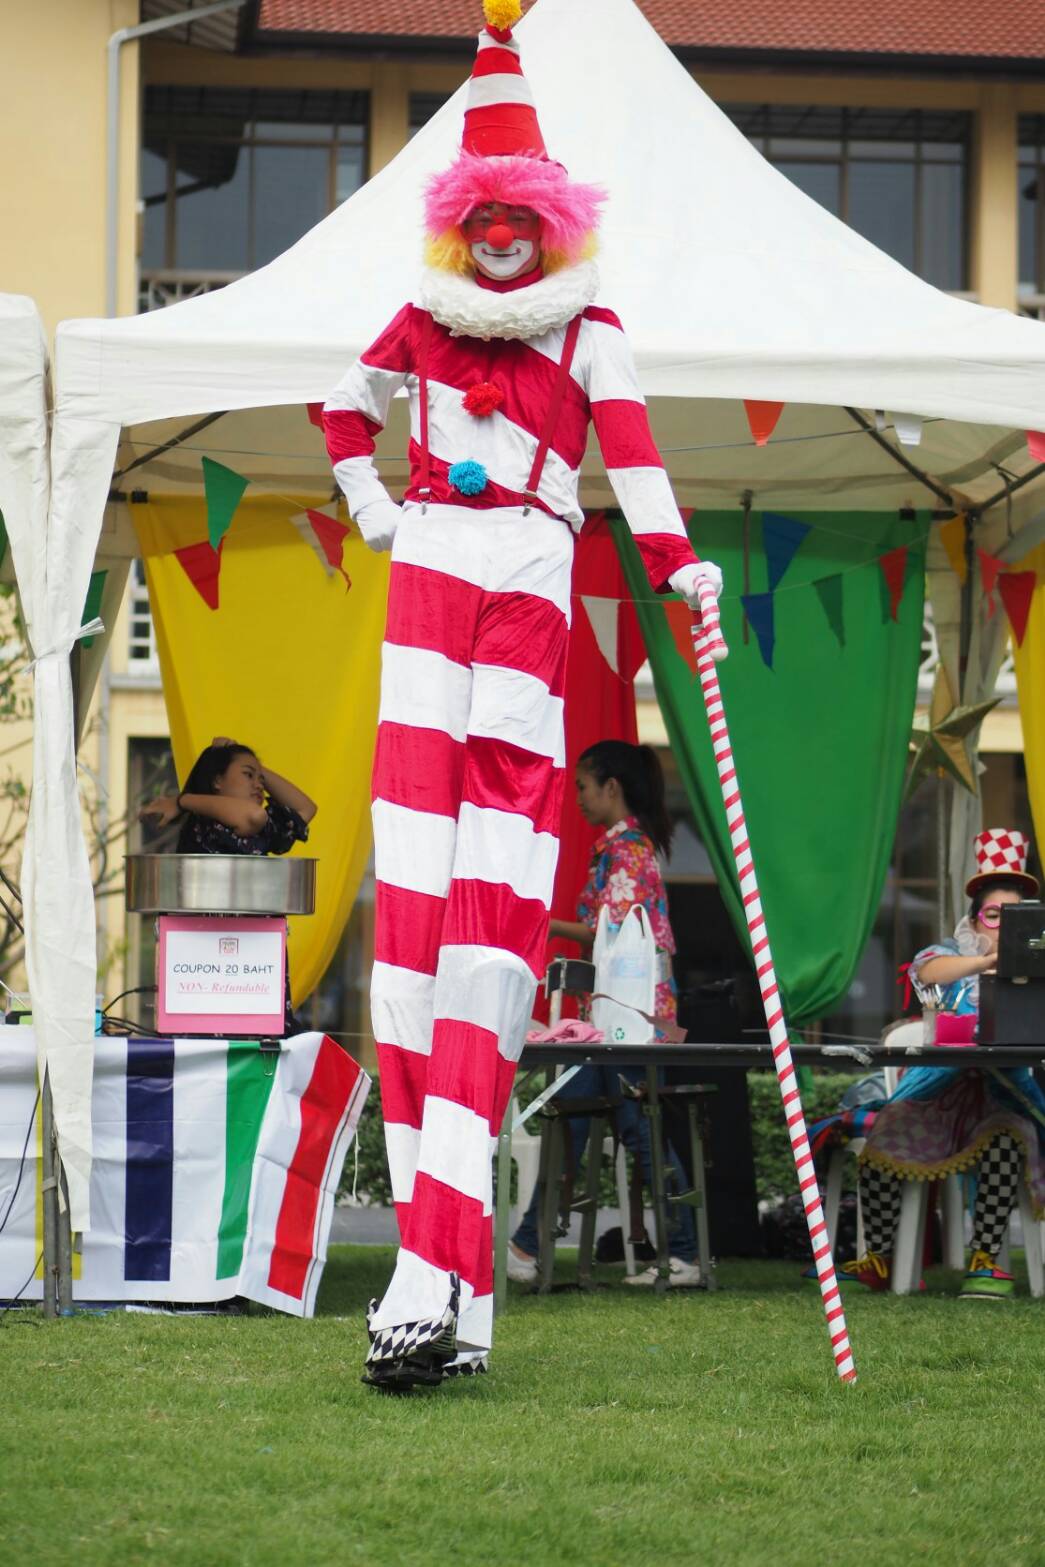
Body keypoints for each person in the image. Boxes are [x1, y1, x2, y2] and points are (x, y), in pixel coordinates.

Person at [323, 0, 723, 1389]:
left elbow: (638, 456)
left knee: (488, 937)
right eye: (481, 213)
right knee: (412, 928)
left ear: (551, 223)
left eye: (520, 215)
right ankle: (443, 1295)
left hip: (533, 572)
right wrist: (376, 505)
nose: (500, 235)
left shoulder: (588, 327)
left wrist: (681, 570)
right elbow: (337, 407)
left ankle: (437, 1287)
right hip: (434, 571)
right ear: (459, 221)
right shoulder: (422, 323)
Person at [508, 741, 701, 1287]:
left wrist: (541, 924)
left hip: (629, 1021)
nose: (578, 799)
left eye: (583, 787)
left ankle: (532, 1247)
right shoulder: (624, 848)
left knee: (622, 1128)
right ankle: (529, 1247)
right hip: (622, 1017)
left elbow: (608, 932)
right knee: (578, 1120)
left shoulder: (627, 851)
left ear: (610, 787)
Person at [845, 829, 1045, 1299]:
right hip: (939, 1093)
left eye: (1014, 918)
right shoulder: (950, 954)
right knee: (885, 1137)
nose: (1002, 925)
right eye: (994, 915)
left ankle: (985, 1259)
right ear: (975, 920)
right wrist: (986, 963)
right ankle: (881, 1257)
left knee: (1003, 1141)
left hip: (1004, 1091)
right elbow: (926, 975)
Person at [139, 739, 317, 1030]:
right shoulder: (205, 822)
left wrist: (259, 771)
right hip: (209, 970)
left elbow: (305, 808)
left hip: (252, 970)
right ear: (217, 781)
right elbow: (253, 815)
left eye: (260, 779)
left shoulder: (262, 829)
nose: (258, 784)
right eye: (248, 775)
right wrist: (183, 801)